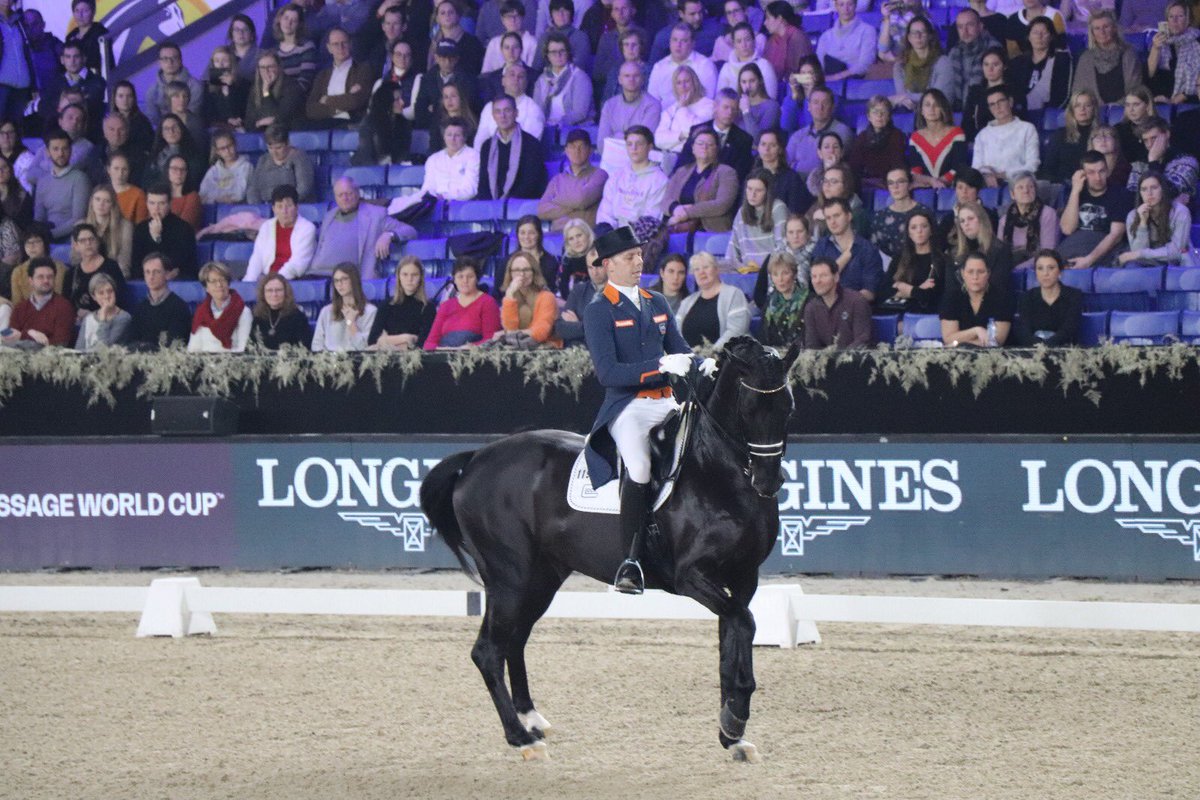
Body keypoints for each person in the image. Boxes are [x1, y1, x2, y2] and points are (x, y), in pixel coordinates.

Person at [581, 225, 712, 593]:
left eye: (639, 255)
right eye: (629, 257)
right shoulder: (599, 311)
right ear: (608, 265)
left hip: (668, 401)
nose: (638, 262)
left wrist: (706, 364)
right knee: (639, 466)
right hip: (628, 407)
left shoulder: (656, 301)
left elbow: (680, 348)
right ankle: (631, 561)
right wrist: (659, 368)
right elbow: (608, 373)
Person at [312, 178, 415, 279]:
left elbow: (410, 230)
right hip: (321, 274)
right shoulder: (329, 216)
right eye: (340, 195)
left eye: (349, 194)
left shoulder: (376, 215)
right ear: (335, 198)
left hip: (356, 278)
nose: (345, 198)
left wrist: (389, 235)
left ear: (357, 193)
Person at [1059, 150, 1132, 268]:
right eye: (1091, 172)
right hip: (1074, 249)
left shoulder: (1121, 194)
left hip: (1104, 254)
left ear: (1107, 171)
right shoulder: (1076, 193)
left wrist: (1089, 260)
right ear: (1083, 174)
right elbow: (1067, 229)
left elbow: (1116, 236)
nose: (1098, 178)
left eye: (1101, 171)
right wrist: (1075, 190)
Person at [661, 129, 739, 233]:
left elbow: (722, 205)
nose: (704, 147)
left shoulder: (726, 172)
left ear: (717, 149)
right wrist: (675, 209)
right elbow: (666, 200)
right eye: (700, 143)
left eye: (710, 144)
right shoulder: (682, 171)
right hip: (679, 226)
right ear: (693, 148)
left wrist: (687, 212)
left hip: (710, 230)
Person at [811, 198, 885, 303]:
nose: (832, 222)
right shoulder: (821, 246)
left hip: (857, 310)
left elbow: (870, 293)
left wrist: (841, 303)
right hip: (825, 310)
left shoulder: (867, 249)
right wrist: (844, 258)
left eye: (837, 216)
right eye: (828, 218)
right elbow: (817, 284)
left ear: (849, 216)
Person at [477, 94, 549, 200]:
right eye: (498, 111)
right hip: (492, 207)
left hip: (521, 206)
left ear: (516, 113)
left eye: (507, 110)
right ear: (493, 116)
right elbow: (483, 184)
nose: (503, 116)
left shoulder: (531, 144)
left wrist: (506, 204)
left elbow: (531, 183)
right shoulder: (486, 147)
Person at [596, 125, 668, 230]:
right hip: (613, 233)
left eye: (639, 144)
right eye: (629, 144)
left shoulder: (659, 180)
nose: (634, 148)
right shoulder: (617, 176)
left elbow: (652, 219)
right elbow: (605, 213)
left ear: (650, 147)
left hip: (641, 236)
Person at [1118, 171, 1197, 266]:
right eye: (1144, 189)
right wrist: (1143, 223)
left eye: (1154, 188)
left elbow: (1176, 251)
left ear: (1162, 190)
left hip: (1178, 265)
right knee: (1125, 272)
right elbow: (1138, 255)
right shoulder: (1133, 215)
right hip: (1149, 265)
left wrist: (1142, 254)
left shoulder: (1180, 212)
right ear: (1140, 193)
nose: (1149, 193)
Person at [675, 251, 751, 347]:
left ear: (716, 269)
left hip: (723, 358)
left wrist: (711, 355)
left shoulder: (734, 294)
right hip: (689, 359)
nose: (701, 272)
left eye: (706, 267)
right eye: (696, 269)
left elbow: (736, 331)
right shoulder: (686, 302)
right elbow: (676, 333)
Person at [424, 257, 503, 348]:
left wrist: (467, 348)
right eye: (460, 276)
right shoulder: (446, 306)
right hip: (444, 356)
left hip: (474, 356)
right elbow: (429, 343)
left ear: (477, 279)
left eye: (470, 276)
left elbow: (490, 340)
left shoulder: (487, 302)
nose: (465, 281)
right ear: (454, 279)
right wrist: (441, 350)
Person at [245, 185, 317, 282]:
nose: (284, 211)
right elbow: (257, 259)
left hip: (293, 280)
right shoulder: (266, 227)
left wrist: (274, 282)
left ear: (296, 207)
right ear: (274, 209)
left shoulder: (307, 228)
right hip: (267, 280)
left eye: (289, 206)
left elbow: (297, 265)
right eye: (280, 206)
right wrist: (248, 283)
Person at [878, 209, 945, 314]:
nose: (919, 231)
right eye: (914, 227)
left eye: (924, 226)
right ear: (909, 233)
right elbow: (884, 292)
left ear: (931, 230)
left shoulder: (941, 260)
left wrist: (904, 287)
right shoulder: (899, 258)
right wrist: (918, 289)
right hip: (899, 313)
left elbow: (932, 296)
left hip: (927, 315)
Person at [971, 85, 1039, 188]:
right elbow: (976, 167)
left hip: (1019, 184)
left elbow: (1032, 165)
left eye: (1001, 101)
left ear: (1010, 102)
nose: (997, 107)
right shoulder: (982, 135)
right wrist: (987, 174)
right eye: (992, 104)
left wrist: (1004, 175)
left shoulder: (1027, 129)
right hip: (989, 186)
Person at [538, 128, 607, 230]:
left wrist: (556, 200)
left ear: (590, 150)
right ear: (566, 151)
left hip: (586, 237)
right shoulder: (557, 179)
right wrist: (573, 208)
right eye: (572, 146)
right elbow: (542, 210)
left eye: (581, 147)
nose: (577, 151)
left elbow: (581, 200)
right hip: (558, 236)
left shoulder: (599, 174)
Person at [1071, 10, 1144, 105]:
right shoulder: (1086, 58)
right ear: (1092, 33)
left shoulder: (1129, 54)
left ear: (1114, 28)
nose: (1102, 32)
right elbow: (1077, 93)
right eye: (1097, 28)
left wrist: (1114, 108)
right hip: (1093, 112)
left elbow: (1135, 89)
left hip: (1124, 110)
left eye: (1106, 27)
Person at [305, 27, 374, 127]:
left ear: (350, 44)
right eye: (335, 44)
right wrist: (339, 107)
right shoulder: (322, 75)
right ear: (329, 48)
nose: (340, 47)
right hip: (325, 121)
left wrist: (326, 100)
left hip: (351, 122)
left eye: (344, 43)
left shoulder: (363, 69)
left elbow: (356, 101)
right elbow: (310, 109)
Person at [940, 252, 1012, 347]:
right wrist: (976, 331)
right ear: (962, 273)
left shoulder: (1002, 298)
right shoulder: (952, 297)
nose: (975, 277)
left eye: (981, 272)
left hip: (993, 356)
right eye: (970, 272)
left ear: (988, 273)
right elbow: (949, 339)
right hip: (958, 356)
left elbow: (996, 342)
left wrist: (963, 343)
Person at [1014, 248, 1083, 346]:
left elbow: (1069, 330)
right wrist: (1040, 348)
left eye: (1051, 268)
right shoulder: (1027, 298)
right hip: (1034, 353)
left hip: (1064, 353)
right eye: (1040, 268)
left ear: (1060, 272)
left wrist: (1046, 346)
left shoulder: (1074, 296)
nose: (1045, 274)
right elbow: (1024, 332)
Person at [494, 250, 562, 347]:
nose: (522, 274)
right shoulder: (510, 297)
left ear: (534, 272)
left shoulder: (547, 297)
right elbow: (510, 328)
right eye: (517, 270)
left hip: (546, 349)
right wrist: (509, 295)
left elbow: (540, 333)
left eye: (526, 269)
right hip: (518, 346)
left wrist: (508, 334)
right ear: (510, 274)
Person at [1, 258, 74, 348]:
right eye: (40, 277)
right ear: (31, 281)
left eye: (50, 277)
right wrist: (31, 334)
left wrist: (23, 335)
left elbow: (60, 344)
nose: (46, 281)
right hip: (19, 356)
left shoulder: (64, 306)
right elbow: (10, 337)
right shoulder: (20, 308)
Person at [31, 130, 90, 241]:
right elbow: (38, 218)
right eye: (55, 149)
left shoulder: (80, 179)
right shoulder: (43, 181)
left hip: (71, 240)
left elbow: (78, 219)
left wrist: (50, 235)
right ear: (48, 152)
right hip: (46, 239)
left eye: (65, 148)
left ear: (71, 151)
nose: (60, 154)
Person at [131, 184, 198, 281]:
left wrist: (157, 239)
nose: (156, 208)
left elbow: (183, 263)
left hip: (177, 281)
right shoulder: (140, 229)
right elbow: (136, 265)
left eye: (161, 203)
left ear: (170, 204)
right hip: (147, 281)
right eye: (152, 203)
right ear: (146, 204)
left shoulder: (183, 228)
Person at [368, 256, 436, 349]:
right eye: (405, 274)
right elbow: (372, 340)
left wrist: (386, 340)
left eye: (414, 275)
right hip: (389, 357)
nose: (409, 279)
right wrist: (407, 338)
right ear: (398, 277)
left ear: (420, 277)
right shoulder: (386, 305)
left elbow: (423, 343)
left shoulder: (428, 307)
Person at [803, 257, 871, 349]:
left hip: (854, 360)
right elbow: (811, 345)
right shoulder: (811, 308)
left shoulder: (856, 301)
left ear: (836, 277)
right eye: (814, 276)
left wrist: (838, 358)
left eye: (823, 276)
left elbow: (862, 340)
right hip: (823, 361)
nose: (817, 281)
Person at [785, 87, 853, 177]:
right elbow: (785, 164)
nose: (820, 107)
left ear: (832, 107)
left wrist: (796, 166)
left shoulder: (842, 132)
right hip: (797, 185)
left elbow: (826, 164)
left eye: (825, 103)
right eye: (815, 102)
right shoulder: (798, 135)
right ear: (809, 107)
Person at [1127, 117, 1199, 204]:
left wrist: (1153, 162)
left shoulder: (1187, 162)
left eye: (1154, 138)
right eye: (1145, 140)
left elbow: (1167, 193)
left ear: (1167, 134)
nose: (1150, 144)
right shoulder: (1139, 165)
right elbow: (1131, 199)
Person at [907, 89, 968, 189]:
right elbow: (915, 171)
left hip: (951, 190)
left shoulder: (957, 133)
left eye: (936, 104)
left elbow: (959, 168)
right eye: (927, 105)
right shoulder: (915, 138)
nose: (932, 108)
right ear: (922, 110)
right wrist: (931, 182)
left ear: (943, 108)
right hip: (925, 190)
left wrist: (938, 183)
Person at [1008, 17, 1073, 113]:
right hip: (1020, 113)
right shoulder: (1017, 62)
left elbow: (1062, 94)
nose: (1039, 36)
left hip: (1049, 113)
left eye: (1044, 32)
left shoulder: (1061, 59)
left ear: (1051, 36)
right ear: (1029, 37)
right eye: (1035, 33)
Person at [128, 252, 191, 349]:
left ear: (167, 275)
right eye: (147, 272)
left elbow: (174, 345)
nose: (151, 277)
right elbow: (130, 342)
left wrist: (144, 347)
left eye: (156, 272)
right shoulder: (140, 308)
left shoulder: (179, 307)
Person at [998, 171, 1060, 269]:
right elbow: (1000, 253)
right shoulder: (1004, 220)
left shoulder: (1047, 214)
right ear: (1012, 194)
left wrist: (1017, 269)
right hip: (1010, 265)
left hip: (1039, 266)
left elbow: (1048, 252)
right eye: (1020, 187)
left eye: (1030, 186)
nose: (1026, 191)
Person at [597, 61, 662, 153]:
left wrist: (617, 136)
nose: (631, 79)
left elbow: (642, 142)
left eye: (636, 76)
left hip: (640, 162)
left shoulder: (652, 105)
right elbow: (601, 145)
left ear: (642, 79)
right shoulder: (609, 105)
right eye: (627, 76)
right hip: (612, 160)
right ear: (620, 80)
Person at [951, 200, 1014, 296]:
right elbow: (951, 290)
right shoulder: (955, 253)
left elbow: (998, 287)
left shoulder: (1001, 250)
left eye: (970, 218)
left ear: (982, 220)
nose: (966, 224)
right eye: (962, 221)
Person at [311, 262, 377, 352]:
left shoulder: (371, 311)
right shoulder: (326, 311)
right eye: (336, 280)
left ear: (354, 280)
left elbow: (365, 348)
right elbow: (316, 345)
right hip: (329, 362)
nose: (339, 284)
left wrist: (351, 322)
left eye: (344, 279)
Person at [187, 261, 252, 353]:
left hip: (232, 363)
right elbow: (193, 349)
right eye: (213, 281)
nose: (219, 285)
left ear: (228, 283)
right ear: (206, 288)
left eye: (222, 280)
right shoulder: (201, 312)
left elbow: (242, 349)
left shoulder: (243, 312)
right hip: (204, 364)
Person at [726, 169, 786, 268]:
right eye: (749, 189)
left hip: (772, 270)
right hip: (746, 272)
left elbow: (782, 246)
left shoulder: (778, 208)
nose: (752, 194)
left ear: (768, 192)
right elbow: (733, 247)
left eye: (758, 190)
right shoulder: (741, 212)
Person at [890, 16, 952, 111]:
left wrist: (907, 97)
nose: (918, 36)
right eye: (914, 33)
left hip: (937, 111)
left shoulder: (943, 62)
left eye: (922, 32)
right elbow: (902, 98)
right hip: (911, 110)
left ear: (930, 35)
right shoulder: (900, 65)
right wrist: (905, 99)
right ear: (909, 38)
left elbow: (938, 97)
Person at [414, 40, 478, 131]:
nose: (447, 62)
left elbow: (470, 106)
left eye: (451, 58)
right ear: (436, 58)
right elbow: (420, 111)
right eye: (443, 58)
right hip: (433, 129)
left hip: (463, 128)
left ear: (457, 59)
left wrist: (434, 108)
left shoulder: (468, 80)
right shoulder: (427, 79)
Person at [870, 166, 931, 260]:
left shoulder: (924, 212)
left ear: (910, 184)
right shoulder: (880, 216)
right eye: (891, 183)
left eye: (901, 181)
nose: (895, 187)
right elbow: (875, 250)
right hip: (889, 268)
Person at [532, 33, 593, 127]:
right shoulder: (541, 80)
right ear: (547, 55)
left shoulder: (580, 77)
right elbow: (537, 111)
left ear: (568, 52)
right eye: (553, 52)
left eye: (562, 51)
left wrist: (558, 126)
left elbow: (580, 113)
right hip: (546, 129)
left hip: (573, 129)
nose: (558, 55)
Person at [944, 8, 1000, 110]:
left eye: (970, 25)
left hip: (985, 109)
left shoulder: (994, 50)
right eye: (960, 27)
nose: (965, 31)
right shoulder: (954, 53)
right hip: (956, 109)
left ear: (980, 26)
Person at [65, 222, 124, 319]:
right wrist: (77, 312)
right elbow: (67, 302)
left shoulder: (111, 266)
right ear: (76, 246)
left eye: (91, 239)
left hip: (107, 318)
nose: (88, 243)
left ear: (97, 242)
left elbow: (120, 298)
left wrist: (96, 314)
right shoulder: (71, 273)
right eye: (83, 241)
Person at [848, 95, 907, 192]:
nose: (879, 116)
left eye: (883, 112)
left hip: (890, 183)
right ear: (869, 116)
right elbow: (854, 167)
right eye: (875, 112)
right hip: (865, 182)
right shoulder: (862, 137)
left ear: (889, 116)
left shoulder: (897, 136)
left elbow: (897, 165)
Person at [1040, 89, 1099, 184]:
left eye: (1087, 105)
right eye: (1077, 105)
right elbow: (1048, 169)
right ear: (1072, 110)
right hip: (1064, 185)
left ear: (1094, 108)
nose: (1082, 109)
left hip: (1094, 184)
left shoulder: (1101, 135)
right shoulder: (1060, 134)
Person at [647, 24, 717, 105]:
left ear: (693, 43)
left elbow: (708, 101)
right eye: (675, 40)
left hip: (697, 115)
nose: (678, 45)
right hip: (665, 116)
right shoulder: (659, 67)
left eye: (683, 41)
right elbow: (652, 102)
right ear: (669, 42)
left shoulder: (705, 66)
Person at [961, 46, 1019, 141]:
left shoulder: (1014, 91)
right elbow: (966, 124)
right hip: (979, 141)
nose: (990, 69)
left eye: (995, 65)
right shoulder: (975, 92)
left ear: (1004, 66)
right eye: (986, 64)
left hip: (1008, 140)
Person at [247, 124, 315, 204]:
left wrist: (282, 205)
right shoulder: (263, 160)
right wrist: (258, 207)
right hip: (267, 207)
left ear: (288, 143)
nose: (274, 152)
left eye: (279, 148)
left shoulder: (299, 157)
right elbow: (253, 188)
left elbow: (304, 189)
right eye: (270, 148)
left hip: (293, 206)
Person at [654, 66, 714, 153]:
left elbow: (696, 132)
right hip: (671, 157)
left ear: (695, 82)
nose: (683, 86)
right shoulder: (670, 110)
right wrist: (681, 135)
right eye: (678, 83)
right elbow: (659, 140)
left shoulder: (709, 105)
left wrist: (682, 108)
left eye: (687, 81)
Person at [1148, 1, 1200, 103]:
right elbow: (1150, 73)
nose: (1175, 20)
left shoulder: (1197, 41)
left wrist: (1182, 96)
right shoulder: (1161, 42)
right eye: (1171, 17)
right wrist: (1155, 48)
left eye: (1180, 16)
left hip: (1191, 97)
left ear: (1188, 20)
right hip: (1161, 98)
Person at [556, 241, 605, 344]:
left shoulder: (619, 291)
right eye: (590, 267)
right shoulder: (578, 290)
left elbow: (608, 330)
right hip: (575, 353)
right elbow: (561, 328)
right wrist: (587, 328)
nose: (594, 272)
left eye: (599, 267)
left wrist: (577, 325)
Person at [144, 42, 203, 127]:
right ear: (159, 63)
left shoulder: (195, 87)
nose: (170, 62)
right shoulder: (152, 92)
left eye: (174, 58)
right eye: (165, 58)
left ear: (180, 60)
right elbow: (153, 121)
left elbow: (192, 116)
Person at [420, 118, 480, 200]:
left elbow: (470, 190)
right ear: (444, 137)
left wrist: (444, 196)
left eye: (457, 135)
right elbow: (427, 187)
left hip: (462, 205)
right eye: (449, 135)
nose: (453, 139)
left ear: (465, 137)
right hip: (435, 204)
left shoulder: (473, 156)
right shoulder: (433, 159)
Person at [244, 51, 305, 133]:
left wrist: (266, 91)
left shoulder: (292, 86)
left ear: (279, 67)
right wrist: (259, 123)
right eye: (262, 67)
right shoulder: (255, 88)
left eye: (270, 66)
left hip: (285, 134)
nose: (266, 71)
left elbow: (278, 119)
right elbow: (249, 121)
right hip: (260, 134)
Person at [816, 0, 876, 81]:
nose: (846, 9)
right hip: (828, 85)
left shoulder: (868, 31)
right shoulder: (825, 37)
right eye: (841, 5)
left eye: (850, 4)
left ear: (855, 5)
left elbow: (865, 65)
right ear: (836, 6)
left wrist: (836, 77)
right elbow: (819, 66)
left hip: (857, 84)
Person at [80, 185, 133, 278]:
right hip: (87, 275)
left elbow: (124, 262)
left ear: (113, 204)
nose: (101, 204)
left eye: (107, 201)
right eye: (97, 199)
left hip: (114, 276)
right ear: (91, 201)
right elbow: (76, 259)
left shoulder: (125, 226)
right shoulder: (80, 225)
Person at [757, 252, 806, 348]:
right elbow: (762, 338)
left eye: (785, 273)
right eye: (775, 274)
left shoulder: (809, 301)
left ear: (794, 274)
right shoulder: (769, 303)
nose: (780, 279)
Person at [753, 128, 807, 214]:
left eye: (772, 145)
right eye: (763, 144)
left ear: (780, 149)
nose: (767, 149)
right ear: (758, 148)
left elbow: (795, 211)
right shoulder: (752, 176)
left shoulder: (791, 178)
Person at [251, 273, 313, 349]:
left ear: (286, 293)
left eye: (278, 290)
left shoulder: (298, 318)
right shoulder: (257, 317)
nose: (274, 294)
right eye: (269, 290)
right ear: (263, 294)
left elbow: (304, 349)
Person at [717, 23, 777, 100]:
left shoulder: (764, 66)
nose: (744, 45)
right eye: (739, 41)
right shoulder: (726, 68)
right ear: (734, 44)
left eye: (747, 39)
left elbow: (770, 99)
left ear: (754, 41)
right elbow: (720, 100)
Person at [649, 0, 721, 63]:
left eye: (700, 12)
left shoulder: (715, 29)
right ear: (681, 14)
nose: (698, 18)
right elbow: (653, 66)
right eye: (692, 14)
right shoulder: (664, 36)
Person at [145, 113, 203, 189]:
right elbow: (147, 182)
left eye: (174, 127)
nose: (171, 131)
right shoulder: (154, 156)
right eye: (166, 129)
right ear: (161, 133)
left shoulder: (194, 154)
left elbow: (195, 180)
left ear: (181, 129)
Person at [74, 273, 130, 351]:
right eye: (101, 293)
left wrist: (103, 318)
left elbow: (104, 350)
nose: (106, 296)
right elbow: (78, 350)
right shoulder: (88, 318)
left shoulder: (124, 318)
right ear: (94, 297)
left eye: (110, 291)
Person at [534, 0, 592, 73]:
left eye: (564, 10)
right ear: (551, 15)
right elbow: (536, 67)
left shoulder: (581, 37)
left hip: (573, 80)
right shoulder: (545, 37)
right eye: (556, 11)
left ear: (571, 13)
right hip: (546, 80)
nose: (560, 14)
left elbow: (580, 67)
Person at [272, 3, 319, 94]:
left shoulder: (307, 47)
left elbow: (305, 83)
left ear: (299, 25)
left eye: (294, 20)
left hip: (298, 97)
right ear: (280, 19)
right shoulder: (274, 51)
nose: (288, 23)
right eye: (286, 18)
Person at [429, 0, 485, 76]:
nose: (447, 15)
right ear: (437, 18)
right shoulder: (434, 43)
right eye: (442, 13)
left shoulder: (472, 42)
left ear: (458, 16)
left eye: (451, 12)